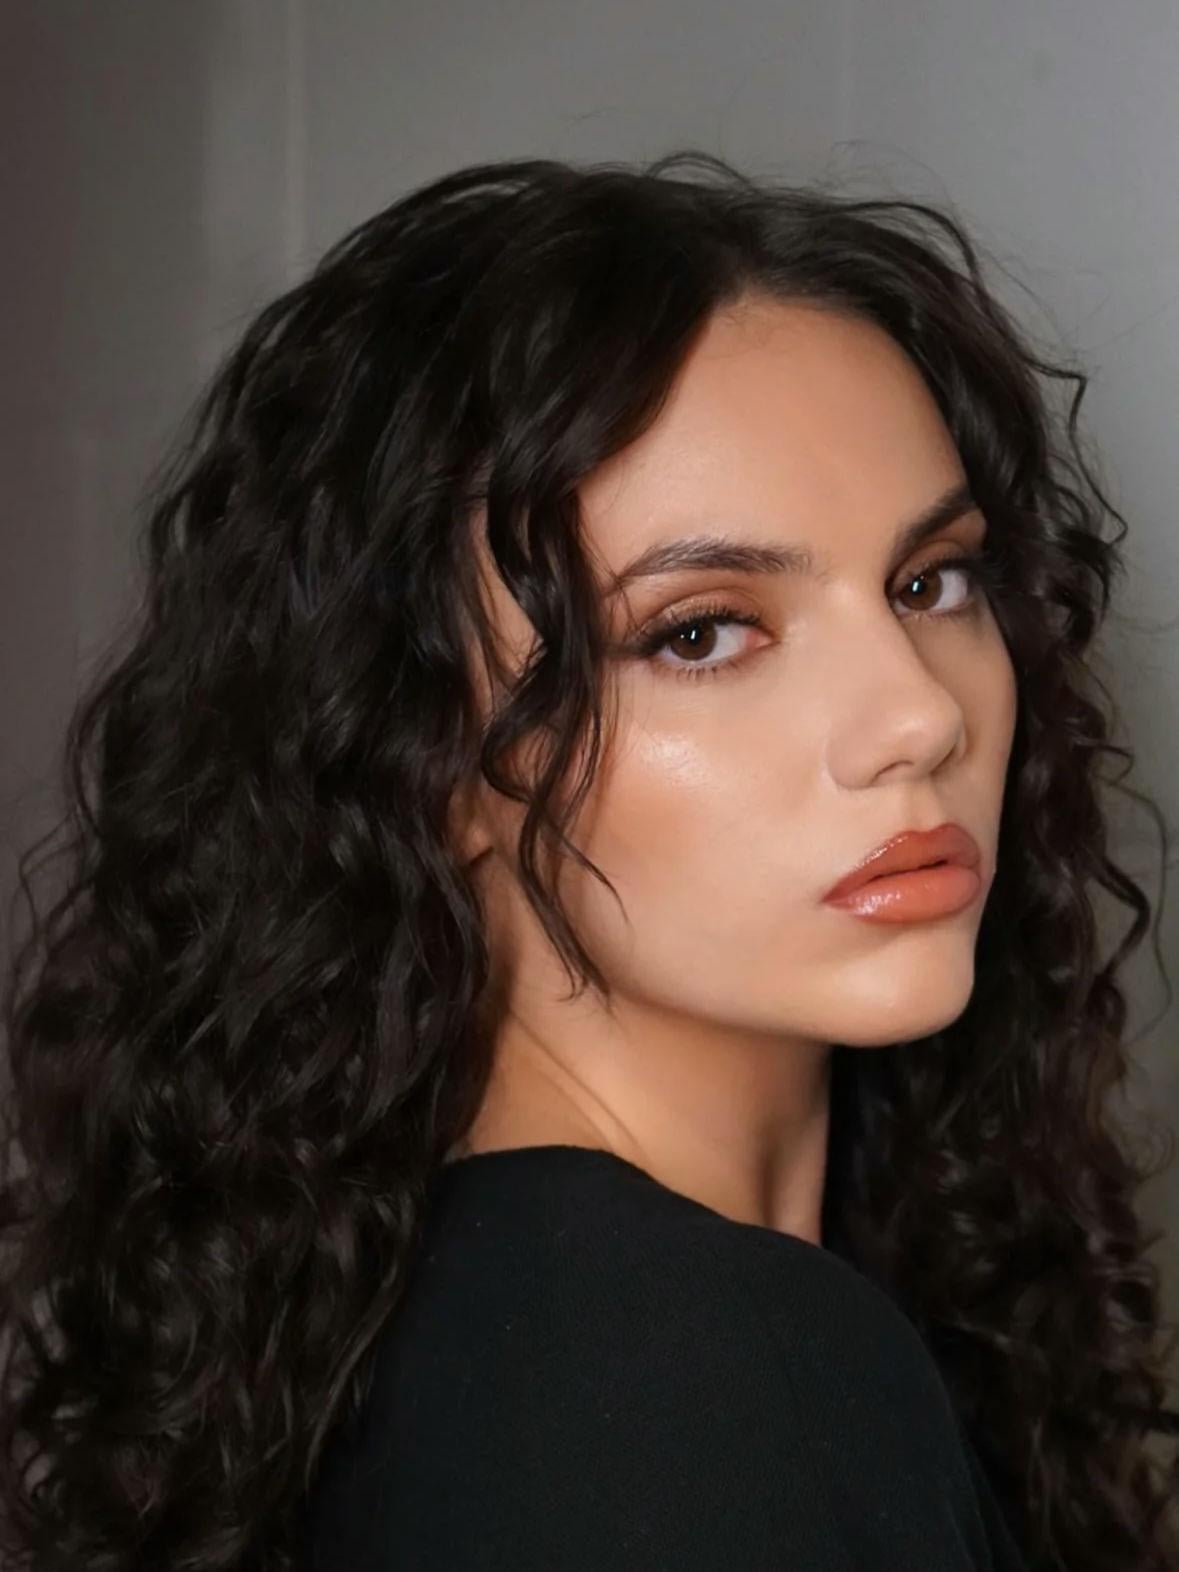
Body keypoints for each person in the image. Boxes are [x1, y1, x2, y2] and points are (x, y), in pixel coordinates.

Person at [0, 151, 1175, 1572]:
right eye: (700, 632)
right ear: (421, 754)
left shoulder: (463, 1321)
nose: (921, 716)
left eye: (930, 582)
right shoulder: (685, 1374)